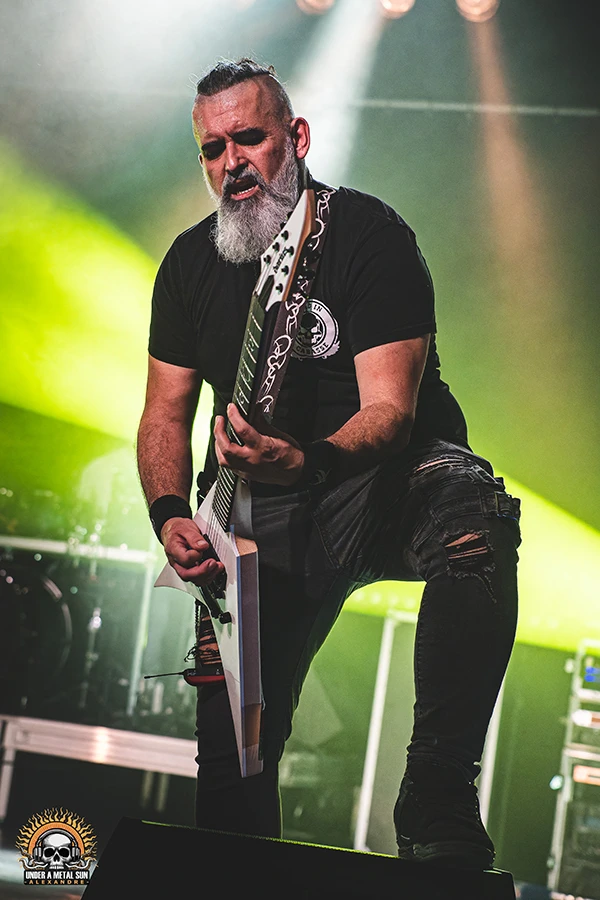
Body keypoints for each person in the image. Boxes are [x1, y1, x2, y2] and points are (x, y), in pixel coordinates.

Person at [136, 58, 521, 871]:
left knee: (471, 511)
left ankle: (438, 790)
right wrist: (171, 512)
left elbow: (390, 409)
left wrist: (307, 459)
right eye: (212, 149)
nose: (230, 163)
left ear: (296, 137)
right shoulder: (188, 266)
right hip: (256, 513)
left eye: (249, 138)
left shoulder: (368, 236)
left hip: (373, 482)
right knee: (232, 764)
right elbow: (165, 413)